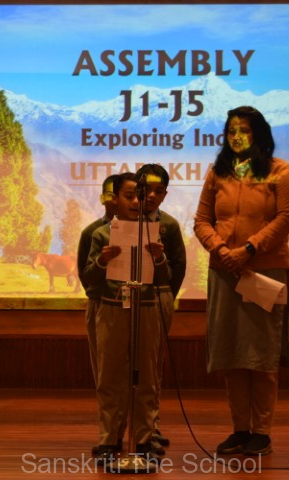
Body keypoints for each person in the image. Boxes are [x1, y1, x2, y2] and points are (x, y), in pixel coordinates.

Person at [193, 106, 289, 456]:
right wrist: (220, 249)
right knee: (231, 353)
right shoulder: (217, 172)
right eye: (231, 131)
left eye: (244, 130)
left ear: (259, 134)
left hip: (264, 270)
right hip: (224, 270)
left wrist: (250, 248)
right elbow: (201, 221)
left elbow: (286, 218)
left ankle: (262, 432)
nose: (236, 137)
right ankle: (240, 429)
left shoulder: (279, 171)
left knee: (262, 354)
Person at [83, 172, 182, 465]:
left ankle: (144, 439)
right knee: (110, 377)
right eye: (129, 196)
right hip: (112, 309)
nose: (137, 202)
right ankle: (109, 438)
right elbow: (89, 279)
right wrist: (102, 261)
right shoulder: (101, 234)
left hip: (147, 308)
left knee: (146, 377)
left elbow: (165, 278)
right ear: (114, 199)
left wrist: (159, 258)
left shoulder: (154, 232)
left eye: (140, 196)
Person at [133, 164, 186, 450]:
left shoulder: (169, 226)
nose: (151, 196)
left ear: (165, 195)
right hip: (125, 302)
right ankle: (124, 428)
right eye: (146, 190)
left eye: (158, 191)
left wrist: (165, 297)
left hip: (157, 299)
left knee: (152, 366)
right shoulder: (121, 220)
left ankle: (151, 426)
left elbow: (179, 267)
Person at [77, 174, 118, 391]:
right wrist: (97, 293)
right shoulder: (91, 232)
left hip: (132, 306)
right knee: (103, 367)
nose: (114, 200)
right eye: (110, 195)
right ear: (103, 198)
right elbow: (84, 274)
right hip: (99, 303)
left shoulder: (144, 230)